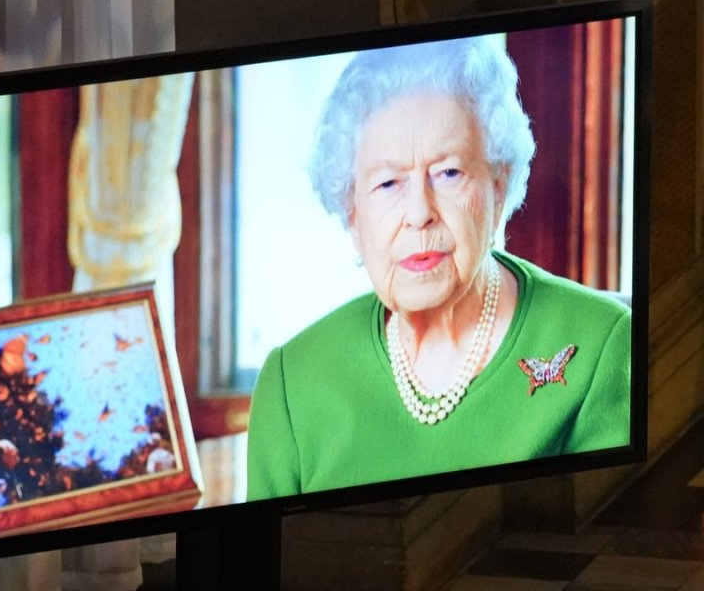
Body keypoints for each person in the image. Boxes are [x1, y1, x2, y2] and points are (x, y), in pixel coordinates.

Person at [246, 36, 631, 500]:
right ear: (353, 216)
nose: (418, 212)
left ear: (497, 186)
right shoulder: (293, 381)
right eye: (388, 183)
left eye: (448, 173)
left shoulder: (601, 345)